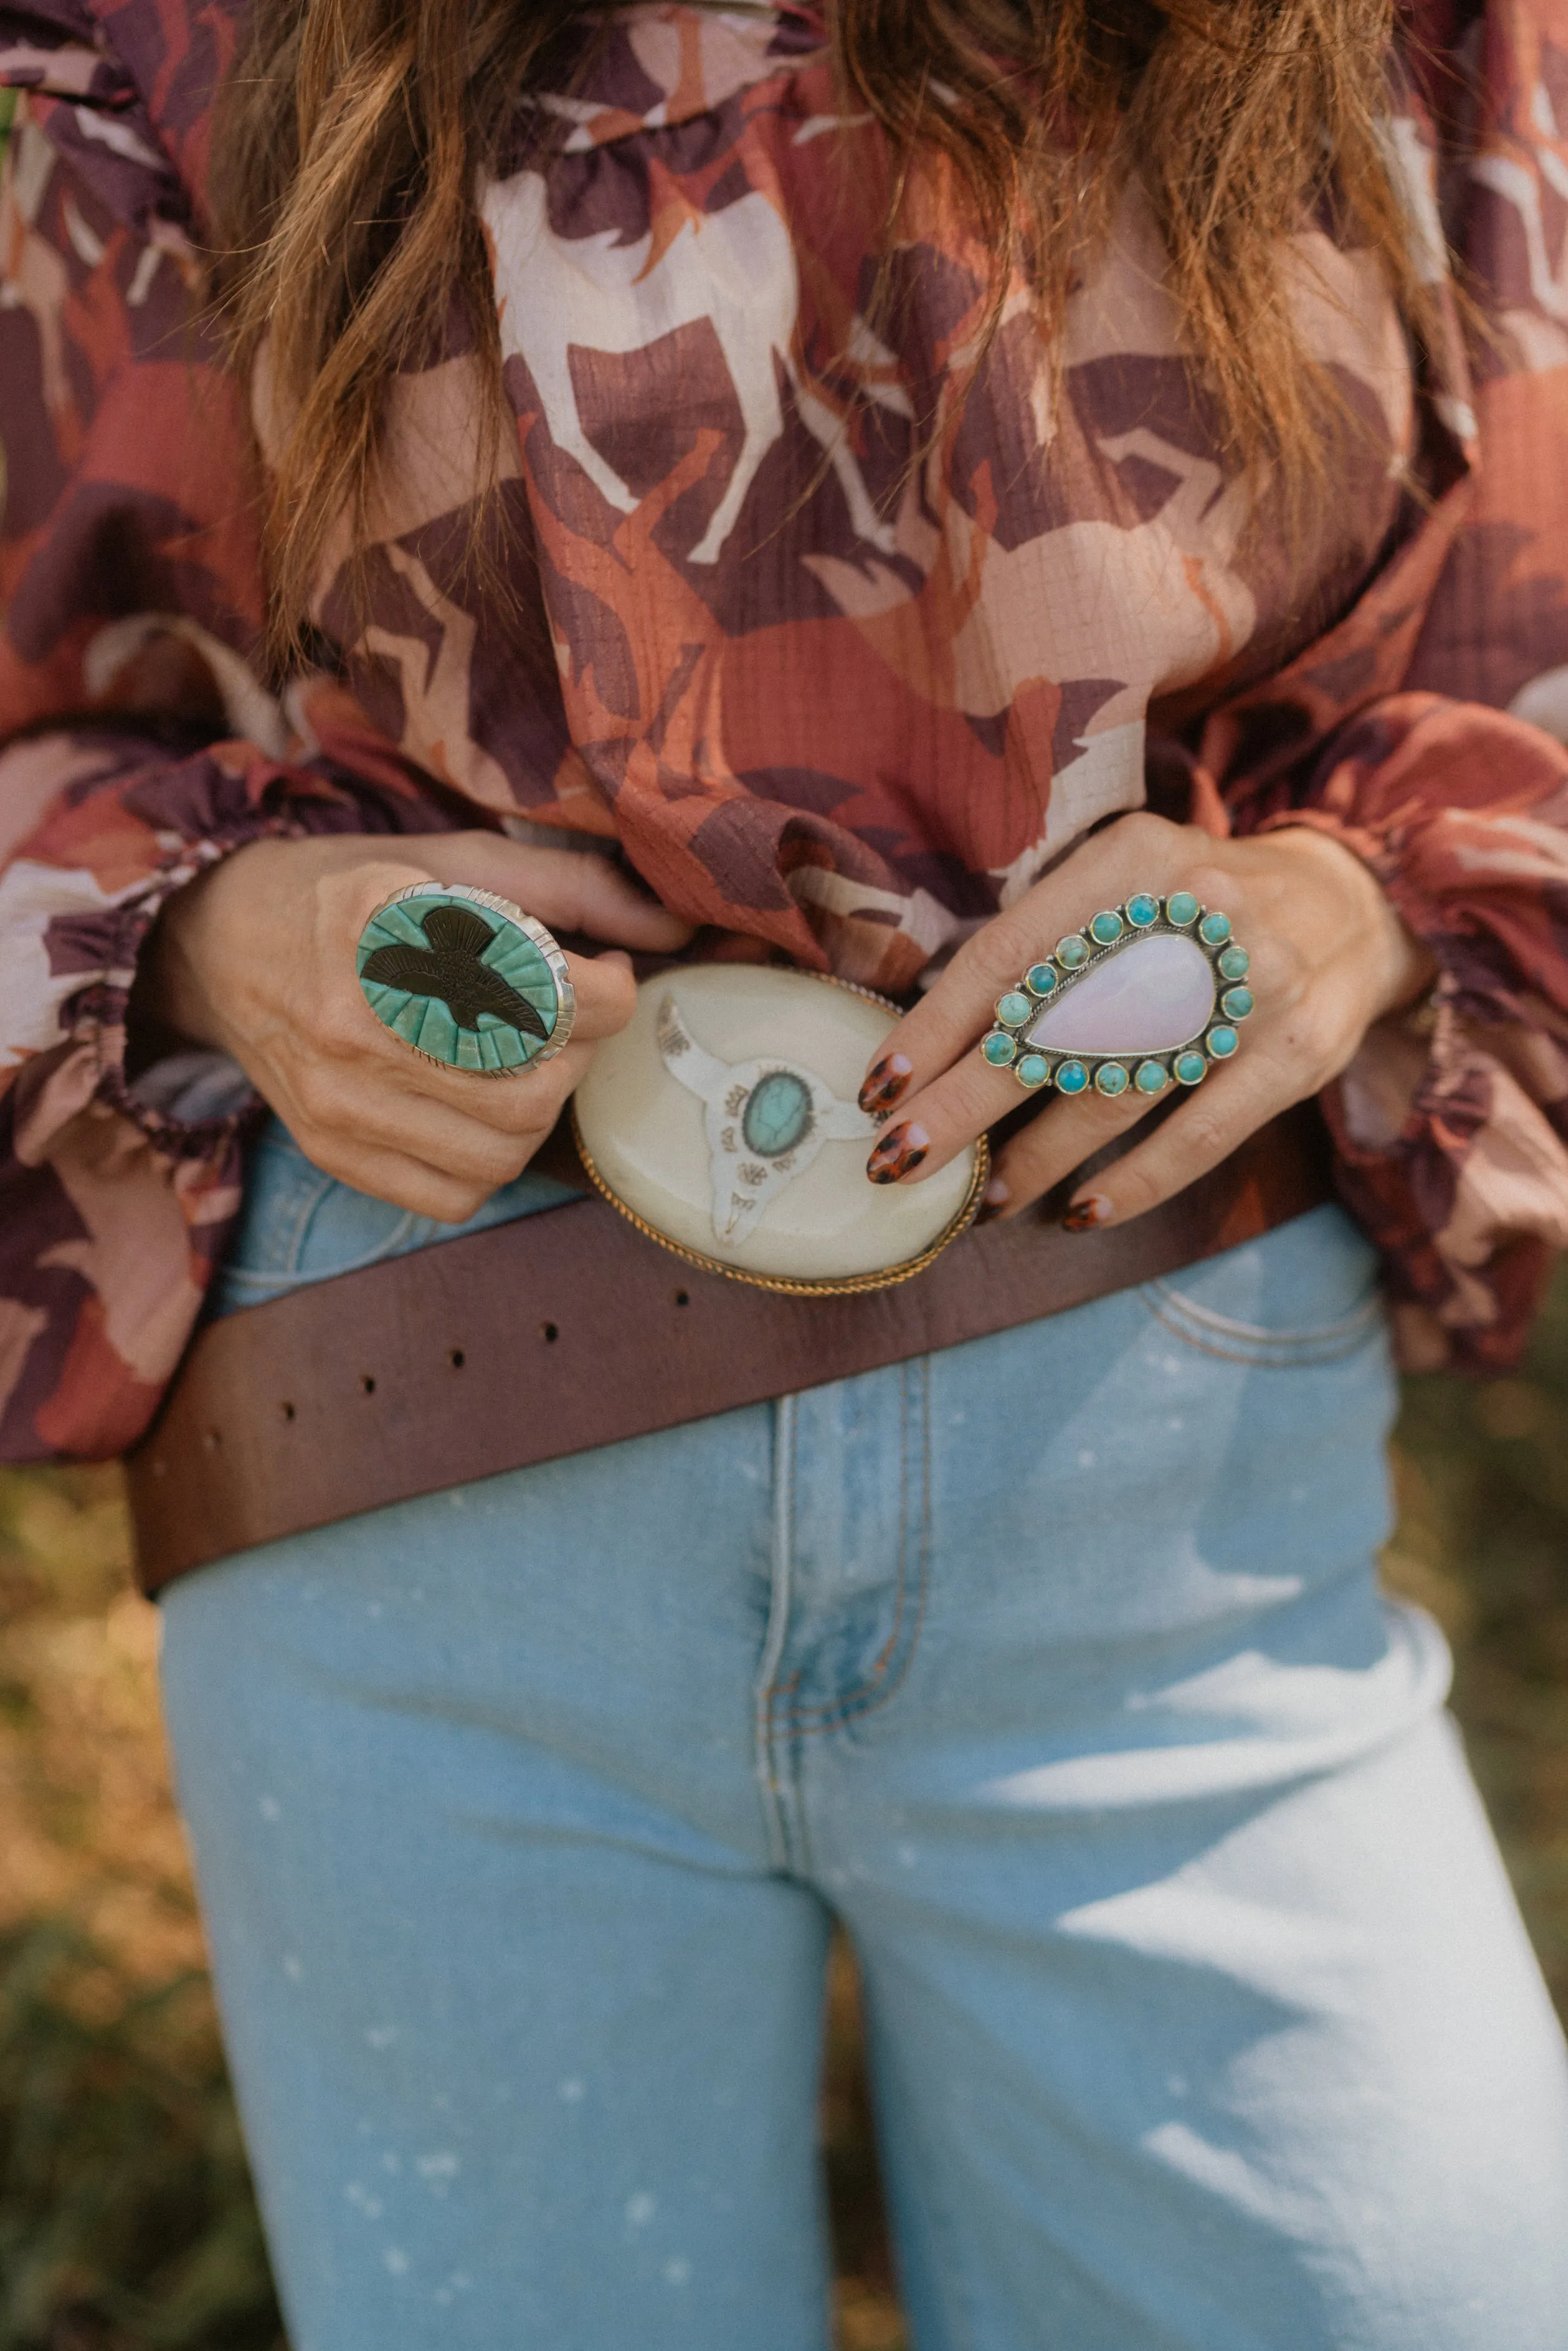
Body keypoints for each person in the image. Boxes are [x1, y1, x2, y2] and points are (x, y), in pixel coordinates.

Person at [4, 0, 1568, 2341]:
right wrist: (223, 945)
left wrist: (1353, 906)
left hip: (1155, 1482)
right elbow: (40, 695)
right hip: (427, 1485)